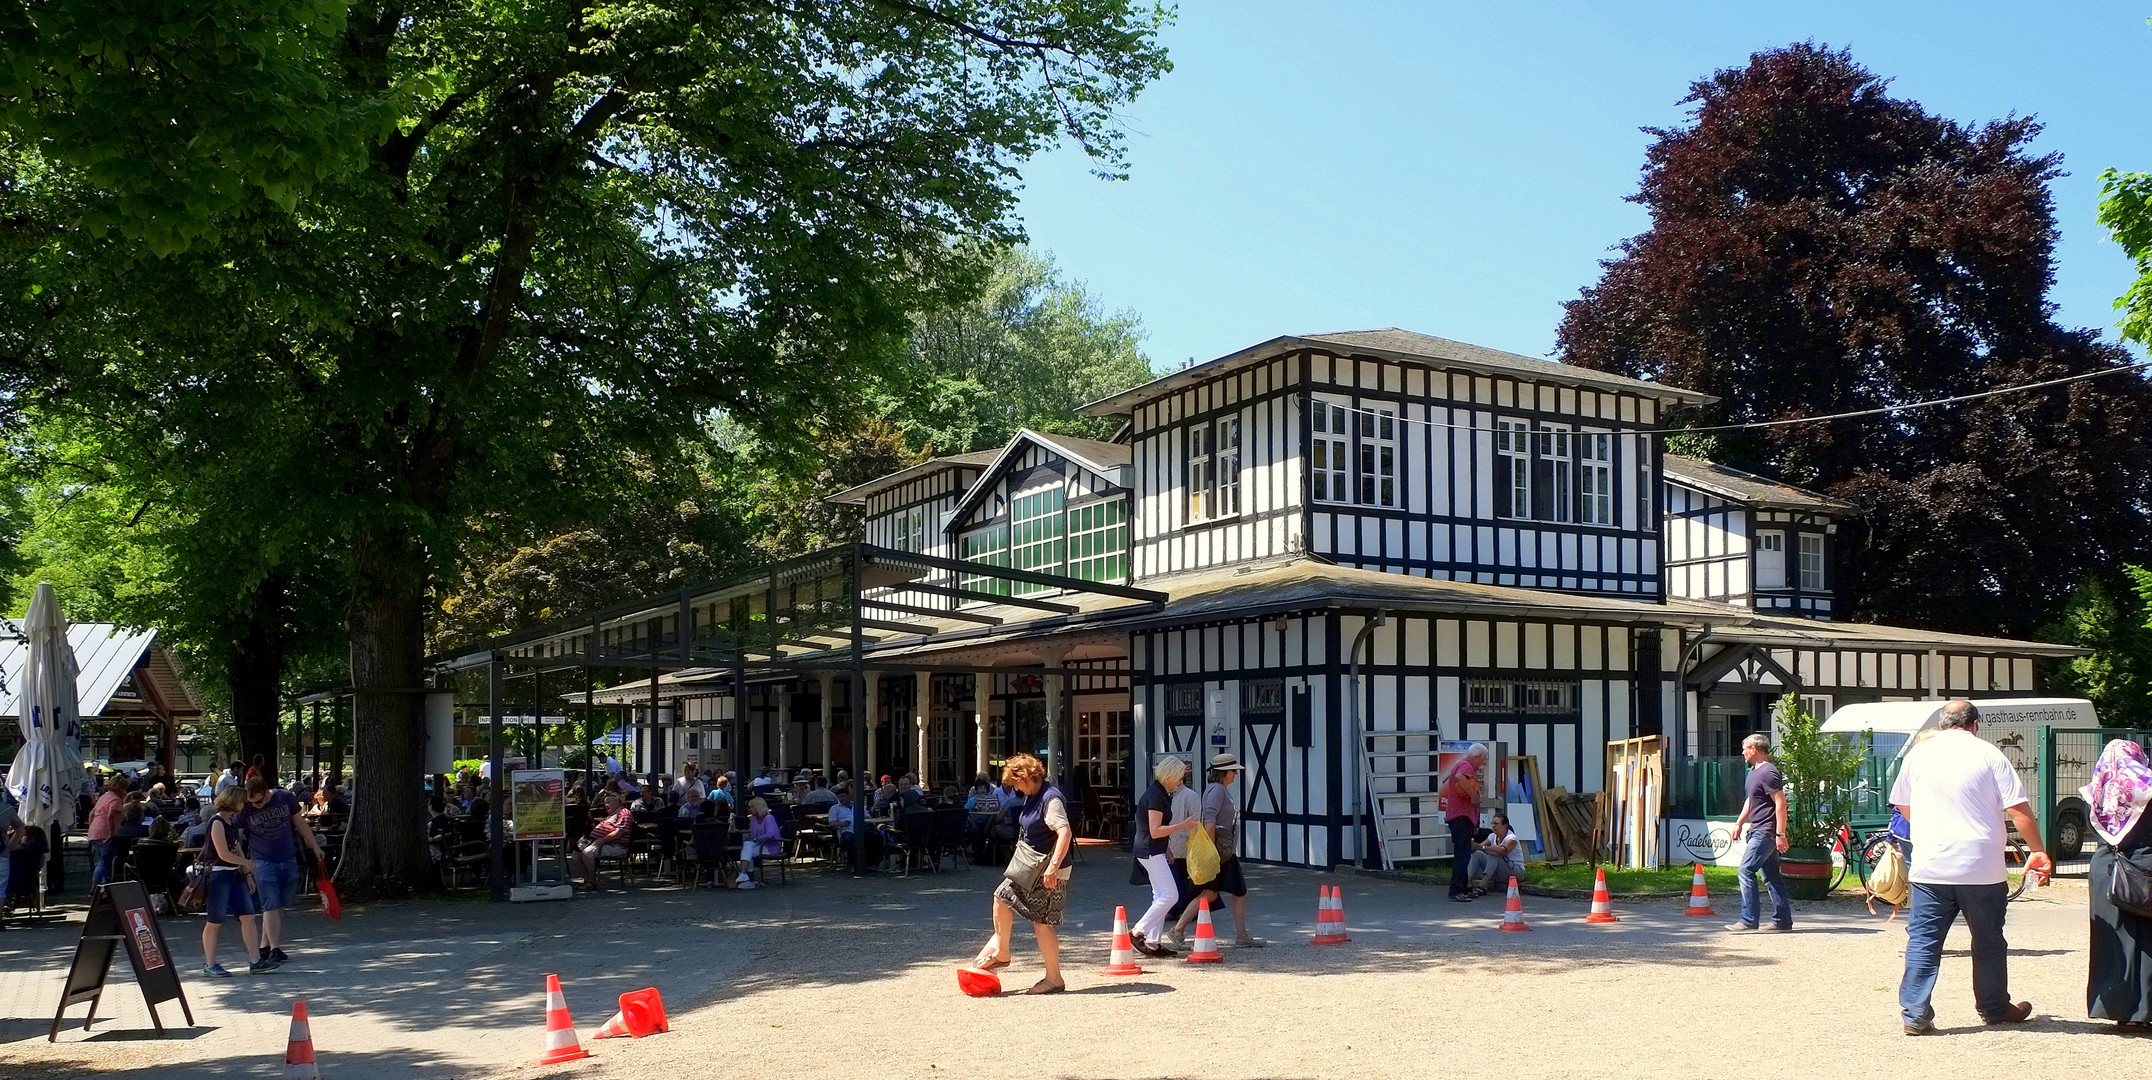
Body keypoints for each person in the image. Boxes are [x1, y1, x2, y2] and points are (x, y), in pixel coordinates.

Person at [1891, 699, 2052, 1034]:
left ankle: (1915, 1015)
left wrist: (1931, 830)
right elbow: (2018, 809)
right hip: (1981, 866)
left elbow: (1903, 805)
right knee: (1989, 941)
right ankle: (1994, 1008)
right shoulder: (1989, 754)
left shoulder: (1918, 755)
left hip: (1930, 865)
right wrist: (2037, 850)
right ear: (1975, 724)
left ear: (1942, 724)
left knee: (1923, 941)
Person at [967, 753, 1074, 994]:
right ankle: (1002, 952)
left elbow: (1064, 833)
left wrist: (1053, 866)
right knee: (1001, 897)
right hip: (1030, 865)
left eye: (1016, 783)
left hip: (1049, 868)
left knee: (1042, 923)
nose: (1015, 788)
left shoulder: (1050, 798)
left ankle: (1054, 979)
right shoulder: (1033, 794)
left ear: (1026, 777)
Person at [2084, 739, 2152, 1027]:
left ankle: (2113, 1008)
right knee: (2146, 941)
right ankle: (2145, 1011)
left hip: (2105, 870)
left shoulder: (2096, 791)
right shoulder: (2146, 789)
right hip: (2144, 867)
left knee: (2110, 941)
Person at [1167, 753, 1265, 948]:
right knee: (1213, 892)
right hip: (1220, 851)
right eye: (1233, 771)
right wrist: (1210, 853)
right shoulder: (1217, 791)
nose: (1235, 775)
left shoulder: (1218, 789)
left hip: (1225, 849)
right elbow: (1210, 821)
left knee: (1230, 891)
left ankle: (1241, 935)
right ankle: (1177, 930)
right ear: (1223, 773)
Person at [239, 776, 325, 965]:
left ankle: (265, 946)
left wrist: (314, 846)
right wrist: (242, 862)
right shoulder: (246, 808)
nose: (257, 806)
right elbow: (237, 835)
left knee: (279, 904)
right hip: (262, 861)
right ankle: (275, 949)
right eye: (252, 802)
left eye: (260, 801)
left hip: (288, 858)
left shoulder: (285, 797)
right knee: (270, 904)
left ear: (267, 792)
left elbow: (300, 823)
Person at [1128, 756, 1197, 957]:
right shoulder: (1157, 796)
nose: (1181, 781)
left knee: (1160, 896)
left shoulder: (1160, 793)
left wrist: (1166, 848)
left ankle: (1153, 943)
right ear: (1170, 775)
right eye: (1179, 777)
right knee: (1170, 895)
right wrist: (1183, 825)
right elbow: (1155, 830)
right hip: (1150, 850)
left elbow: (1153, 831)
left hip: (1152, 849)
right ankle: (1138, 931)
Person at [201, 787, 273, 976]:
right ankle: (210, 963)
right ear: (233, 801)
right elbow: (223, 853)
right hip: (219, 875)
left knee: (248, 916)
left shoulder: (230, 821)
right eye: (242, 801)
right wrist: (246, 862)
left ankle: (255, 960)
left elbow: (236, 847)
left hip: (234, 874)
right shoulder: (216, 822)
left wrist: (246, 873)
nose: (244, 804)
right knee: (215, 920)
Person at [1726, 733, 1791, 932]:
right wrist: (1739, 823)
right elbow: (1751, 800)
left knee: (1745, 870)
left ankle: (1748, 919)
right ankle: (1782, 921)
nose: (1742, 752)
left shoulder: (1768, 772)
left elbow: (1780, 803)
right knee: (1771, 876)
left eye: (1745, 748)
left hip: (1765, 832)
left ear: (1754, 749)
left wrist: (1780, 834)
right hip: (1758, 829)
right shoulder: (1753, 771)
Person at [1439, 743, 1487, 901]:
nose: (1483, 763)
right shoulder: (1465, 766)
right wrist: (1474, 795)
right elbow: (1460, 778)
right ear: (1477, 756)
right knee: (1462, 855)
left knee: (1464, 854)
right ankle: (1456, 890)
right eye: (1484, 759)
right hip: (1460, 817)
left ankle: (1463, 888)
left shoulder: (1463, 765)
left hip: (1462, 817)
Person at [1163, 759, 1201, 946]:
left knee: (1181, 880)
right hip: (1168, 845)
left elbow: (1196, 821)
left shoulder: (1190, 796)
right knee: (1172, 879)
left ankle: (1183, 910)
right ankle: (1175, 909)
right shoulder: (1164, 795)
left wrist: (1183, 836)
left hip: (1184, 846)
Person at [576, 793, 633, 889]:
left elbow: (620, 832)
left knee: (587, 853)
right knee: (575, 854)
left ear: (618, 803)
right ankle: (587, 880)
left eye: (609, 802)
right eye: (605, 803)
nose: (606, 805)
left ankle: (592, 883)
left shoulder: (624, 813)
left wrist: (604, 839)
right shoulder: (613, 814)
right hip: (603, 842)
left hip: (617, 845)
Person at [1466, 810, 1528, 895]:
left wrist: (1481, 847)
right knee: (1477, 854)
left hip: (1515, 870)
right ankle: (1467, 881)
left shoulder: (1512, 838)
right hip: (1499, 871)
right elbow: (1479, 848)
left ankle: (1482, 886)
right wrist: (1470, 846)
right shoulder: (1492, 836)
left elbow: (1502, 851)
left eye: (1496, 824)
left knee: (1495, 854)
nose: (1494, 826)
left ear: (1505, 825)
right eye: (1492, 824)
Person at [87, 775, 127, 888]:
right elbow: (110, 816)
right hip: (105, 833)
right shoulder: (115, 799)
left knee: (101, 861)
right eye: (124, 789)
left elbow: (91, 814)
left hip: (95, 832)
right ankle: (98, 888)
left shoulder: (104, 797)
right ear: (120, 788)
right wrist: (111, 833)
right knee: (106, 863)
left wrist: (91, 829)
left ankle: (99, 888)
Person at [735, 797, 782, 889]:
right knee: (747, 846)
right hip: (759, 844)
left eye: (752, 807)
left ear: (758, 807)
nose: (750, 809)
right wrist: (750, 838)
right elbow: (753, 834)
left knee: (747, 853)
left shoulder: (769, 818)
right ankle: (745, 876)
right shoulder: (752, 819)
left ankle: (747, 877)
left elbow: (770, 834)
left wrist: (756, 838)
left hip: (771, 846)